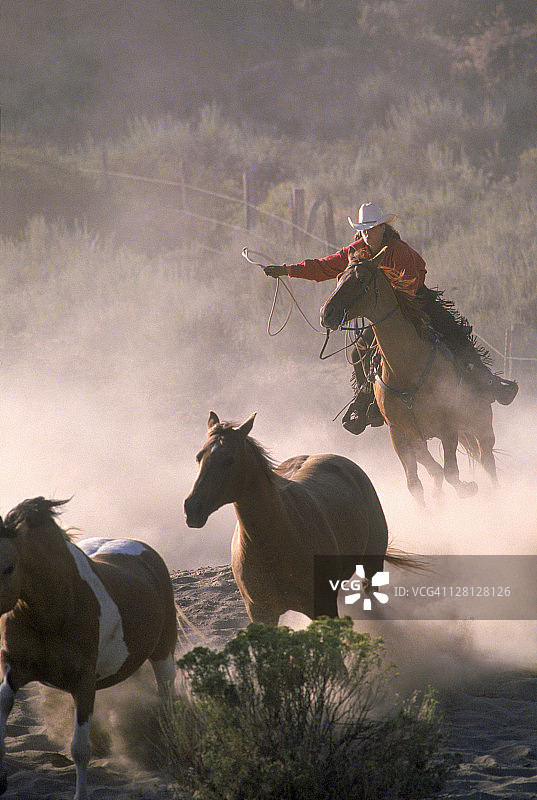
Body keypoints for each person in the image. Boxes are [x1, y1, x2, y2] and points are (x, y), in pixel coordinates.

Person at [264, 202, 518, 435]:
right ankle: (365, 399)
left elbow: (414, 281)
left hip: (418, 303)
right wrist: (288, 270)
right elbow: (324, 266)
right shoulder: (356, 251)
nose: (366, 234)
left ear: (383, 228)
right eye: (363, 230)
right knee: (359, 353)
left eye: (371, 229)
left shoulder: (399, 250)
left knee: (454, 333)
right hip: (384, 314)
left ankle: (487, 380)